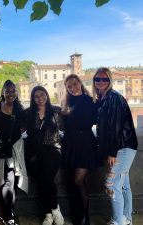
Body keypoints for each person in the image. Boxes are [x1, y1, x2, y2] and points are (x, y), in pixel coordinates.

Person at [93, 67, 137, 225]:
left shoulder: (114, 98)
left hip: (122, 147)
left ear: (110, 80)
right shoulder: (103, 99)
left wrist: (111, 153)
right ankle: (127, 219)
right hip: (123, 146)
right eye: (97, 79)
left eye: (105, 79)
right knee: (123, 184)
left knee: (111, 183)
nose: (101, 82)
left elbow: (117, 127)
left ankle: (118, 221)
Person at [61, 74, 101, 225]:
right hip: (70, 143)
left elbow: (97, 120)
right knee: (73, 181)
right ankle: (79, 214)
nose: (72, 88)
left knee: (79, 179)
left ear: (80, 83)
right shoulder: (67, 103)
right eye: (69, 86)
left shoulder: (89, 101)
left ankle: (85, 217)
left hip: (85, 143)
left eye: (74, 84)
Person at [24, 85, 64, 225]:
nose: (40, 98)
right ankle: (48, 214)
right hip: (34, 152)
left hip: (53, 150)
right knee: (41, 182)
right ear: (33, 99)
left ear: (47, 95)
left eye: (42, 95)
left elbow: (68, 127)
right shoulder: (29, 113)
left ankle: (54, 209)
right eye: (36, 96)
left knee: (46, 179)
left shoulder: (56, 111)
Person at [0, 80, 28, 225]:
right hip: (1, 148)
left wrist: (17, 135)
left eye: (13, 91)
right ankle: (8, 216)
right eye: (7, 91)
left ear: (16, 93)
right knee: (6, 180)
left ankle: (9, 213)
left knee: (12, 181)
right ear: (3, 92)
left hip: (15, 148)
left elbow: (26, 125)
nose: (10, 94)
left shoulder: (20, 108)